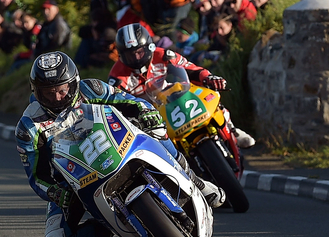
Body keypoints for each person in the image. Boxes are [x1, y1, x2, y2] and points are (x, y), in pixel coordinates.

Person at [15, 51, 222, 237]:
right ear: (36, 92)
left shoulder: (90, 88)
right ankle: (115, 226)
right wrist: (54, 192)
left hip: (118, 145)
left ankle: (194, 179)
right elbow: (36, 177)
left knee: (157, 128)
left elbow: (131, 102)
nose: (56, 98)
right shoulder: (28, 127)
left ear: (73, 83)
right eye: (47, 93)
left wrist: (146, 112)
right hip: (74, 180)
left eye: (61, 90)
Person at [109, 23, 255, 148]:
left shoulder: (164, 55)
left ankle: (232, 129)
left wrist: (209, 78)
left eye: (139, 52)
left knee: (209, 94)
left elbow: (191, 68)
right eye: (130, 55)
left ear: (149, 47)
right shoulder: (116, 77)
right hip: (152, 118)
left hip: (178, 99)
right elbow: (115, 106)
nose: (136, 58)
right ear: (121, 55)